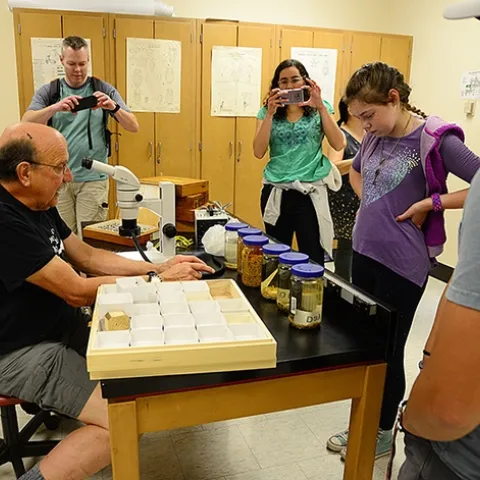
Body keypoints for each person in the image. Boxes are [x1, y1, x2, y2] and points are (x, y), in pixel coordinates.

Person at [0, 123, 213, 480]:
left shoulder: (37, 202)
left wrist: (159, 265)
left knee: (138, 365)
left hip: (56, 329)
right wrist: (157, 279)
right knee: (123, 420)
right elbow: (75, 290)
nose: (67, 177)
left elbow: (86, 256)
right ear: (25, 172)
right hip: (19, 351)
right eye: (59, 168)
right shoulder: (5, 221)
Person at [325, 61, 480, 460]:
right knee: (363, 343)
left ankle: (380, 431)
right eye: (358, 117)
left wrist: (433, 202)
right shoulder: (375, 135)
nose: (364, 125)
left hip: (402, 265)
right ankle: (365, 420)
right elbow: (356, 172)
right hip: (364, 253)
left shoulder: (434, 139)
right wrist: (370, 206)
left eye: (368, 115)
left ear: (394, 99)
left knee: (388, 351)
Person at [397, 2, 480, 479]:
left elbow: (449, 410)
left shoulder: (437, 139)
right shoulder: (377, 141)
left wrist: (413, 421)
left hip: (458, 459)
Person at [22, 36, 139, 236]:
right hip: (59, 180)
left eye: (83, 64)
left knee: (90, 239)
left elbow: (133, 126)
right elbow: (25, 123)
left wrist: (113, 107)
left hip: (93, 179)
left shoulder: (103, 89)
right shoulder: (50, 91)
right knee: (64, 238)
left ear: (88, 61)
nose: (78, 70)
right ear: (61, 60)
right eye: (72, 64)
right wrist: (55, 108)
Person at [253, 59, 346, 266]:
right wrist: (269, 113)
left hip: (309, 192)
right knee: (277, 254)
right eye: (283, 81)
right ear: (276, 86)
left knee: (312, 254)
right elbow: (258, 151)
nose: (289, 86)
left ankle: (310, 297)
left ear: (305, 81)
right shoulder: (266, 112)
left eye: (295, 80)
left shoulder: (321, 109)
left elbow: (339, 143)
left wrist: (320, 106)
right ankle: (276, 295)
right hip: (277, 191)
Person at [326, 98, 365, 280]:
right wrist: (359, 160)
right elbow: (333, 168)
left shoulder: (370, 134)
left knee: (360, 248)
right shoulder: (342, 134)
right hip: (345, 200)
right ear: (351, 109)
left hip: (364, 198)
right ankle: (342, 289)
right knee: (346, 247)